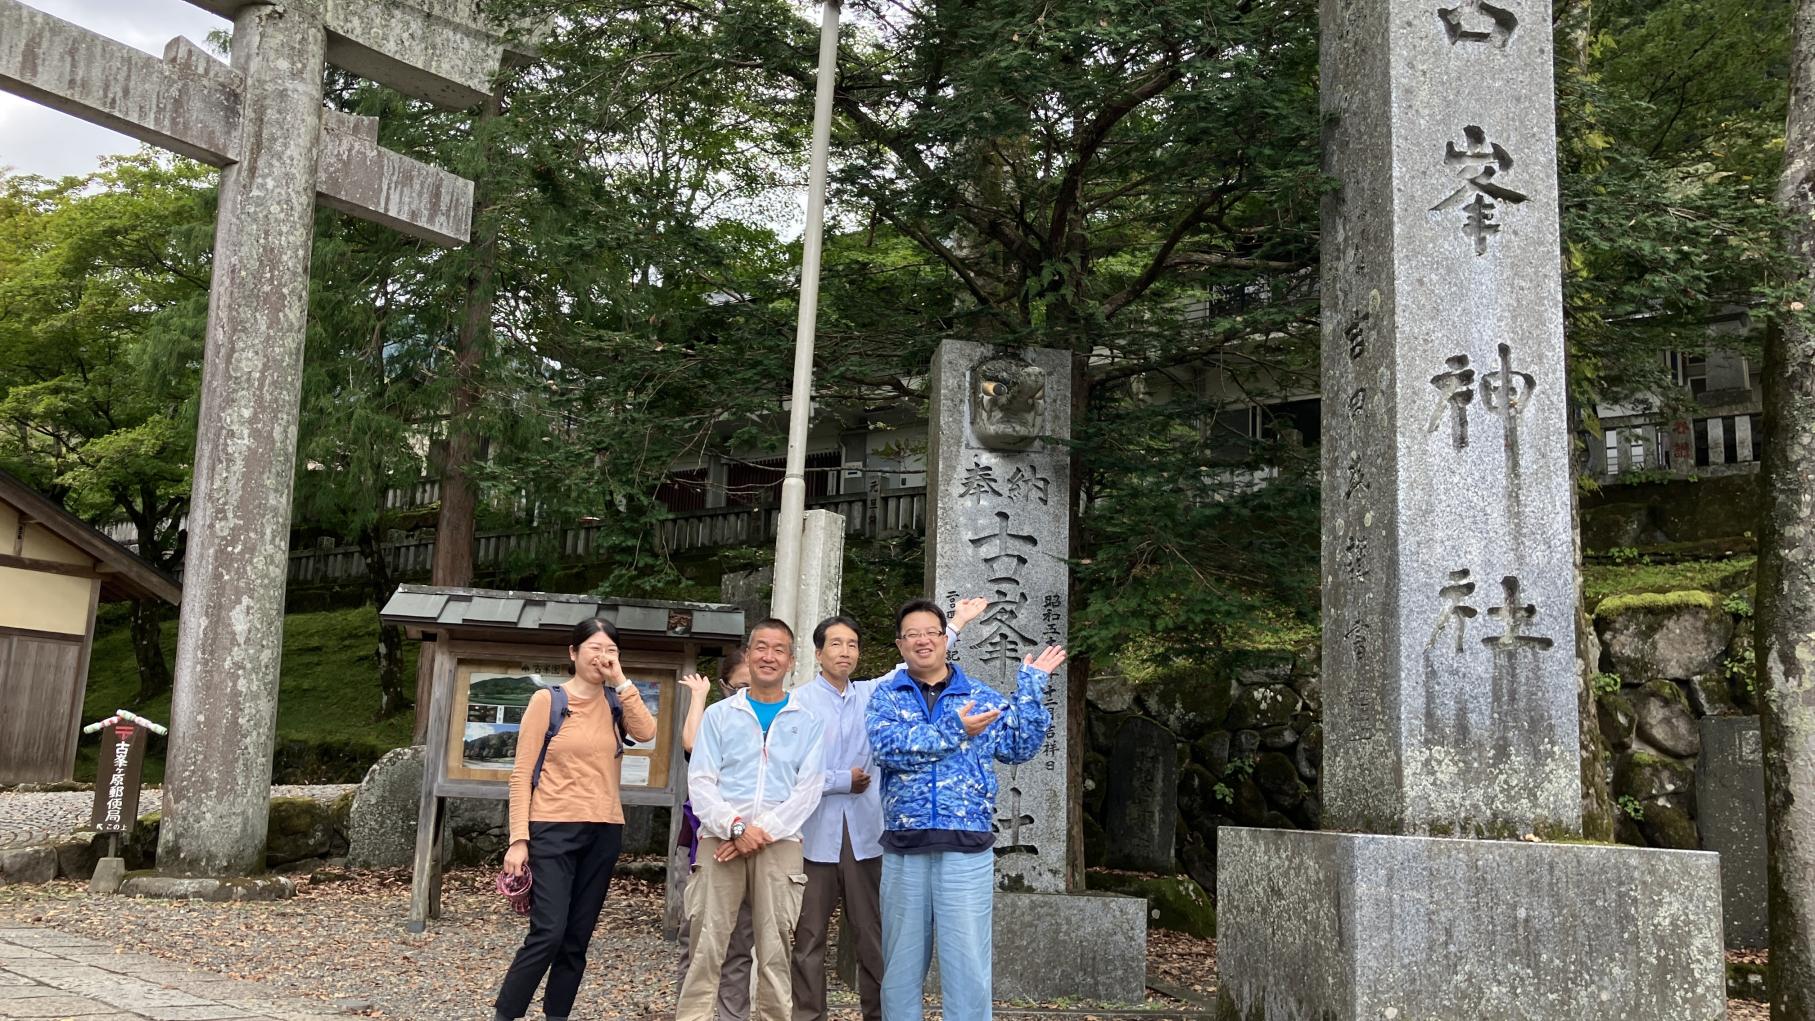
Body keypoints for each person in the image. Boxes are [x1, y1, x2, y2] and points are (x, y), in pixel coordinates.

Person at [865, 599, 1066, 1021]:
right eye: (912, 634)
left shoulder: (979, 695)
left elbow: (1018, 748)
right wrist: (956, 729)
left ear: (945, 639)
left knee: (968, 965)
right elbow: (889, 749)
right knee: (900, 968)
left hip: (967, 848)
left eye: (930, 632)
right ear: (900, 645)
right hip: (905, 848)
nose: (922, 640)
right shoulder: (886, 696)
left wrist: (1031, 686)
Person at [787, 600, 985, 1021]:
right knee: (808, 937)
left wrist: (958, 623)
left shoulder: (875, 692)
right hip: (813, 834)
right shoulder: (797, 702)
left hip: (867, 832)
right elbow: (790, 774)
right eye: (835, 644)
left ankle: (878, 1015)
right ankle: (808, 1016)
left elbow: (923, 653)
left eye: (853, 644)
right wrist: (841, 780)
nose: (845, 652)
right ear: (817, 652)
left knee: (875, 938)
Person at [492, 618, 658, 1021]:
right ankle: (505, 1014)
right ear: (573, 652)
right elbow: (521, 774)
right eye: (594, 649)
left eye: (611, 651)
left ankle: (557, 1016)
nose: (602, 657)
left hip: (604, 829)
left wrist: (620, 680)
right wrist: (519, 839)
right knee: (548, 933)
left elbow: (647, 731)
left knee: (576, 938)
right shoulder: (548, 701)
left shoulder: (617, 701)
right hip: (552, 827)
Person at [677, 618, 826, 1021]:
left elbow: (808, 790)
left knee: (775, 950)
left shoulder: (807, 721)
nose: (769, 656)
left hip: (780, 846)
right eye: (761, 647)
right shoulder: (720, 715)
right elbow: (702, 781)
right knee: (706, 945)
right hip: (720, 842)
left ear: (791, 661)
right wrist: (736, 827)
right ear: (748, 653)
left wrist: (761, 833)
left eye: (779, 649)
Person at [674, 651, 757, 1020]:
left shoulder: (775, 722)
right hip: (701, 842)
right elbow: (691, 746)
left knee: (740, 942)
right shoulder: (714, 718)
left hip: (753, 843)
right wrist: (697, 699)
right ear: (725, 685)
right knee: (697, 939)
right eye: (741, 685)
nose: (748, 692)